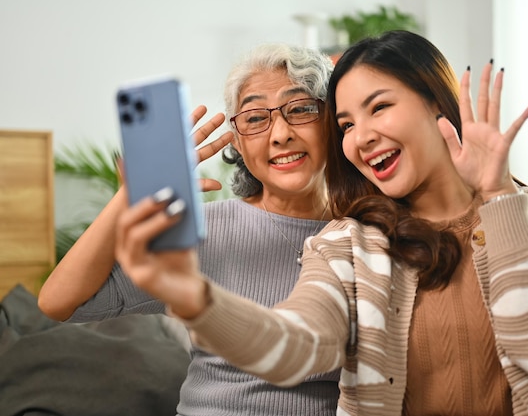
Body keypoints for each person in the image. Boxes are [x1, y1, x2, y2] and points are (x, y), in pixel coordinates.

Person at [114, 31, 528, 416]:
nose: (361, 137)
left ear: (436, 102)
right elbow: (296, 347)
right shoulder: (349, 242)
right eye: (345, 125)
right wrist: (196, 298)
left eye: (379, 107)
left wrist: (497, 198)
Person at [37, 43, 340, 415]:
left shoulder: (368, 237)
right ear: (238, 144)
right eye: (255, 118)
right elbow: (58, 303)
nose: (280, 134)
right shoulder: (201, 233)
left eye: (301, 109)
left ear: (333, 123)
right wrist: (129, 196)